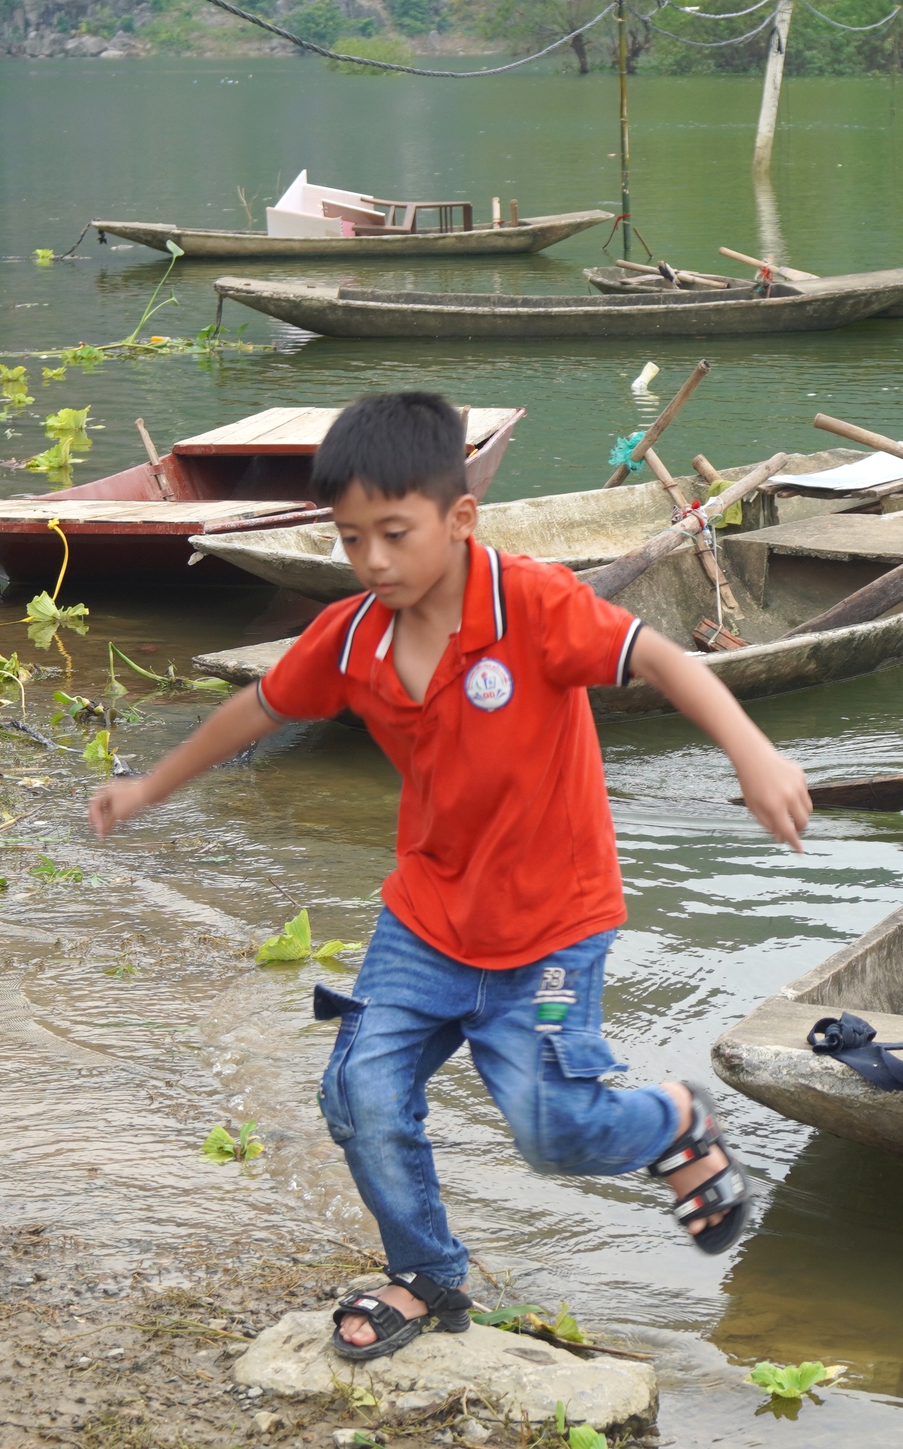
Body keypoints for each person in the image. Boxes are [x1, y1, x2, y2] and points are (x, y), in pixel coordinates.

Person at [86, 392, 813, 1361]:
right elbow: (256, 711)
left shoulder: (531, 607)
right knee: (361, 1098)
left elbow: (663, 658)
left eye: (394, 533)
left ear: (458, 518)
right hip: (425, 924)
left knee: (551, 1130)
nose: (373, 561)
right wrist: (148, 787)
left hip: (554, 931)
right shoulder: (352, 638)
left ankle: (671, 1122)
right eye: (351, 541)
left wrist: (752, 755)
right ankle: (426, 1275)